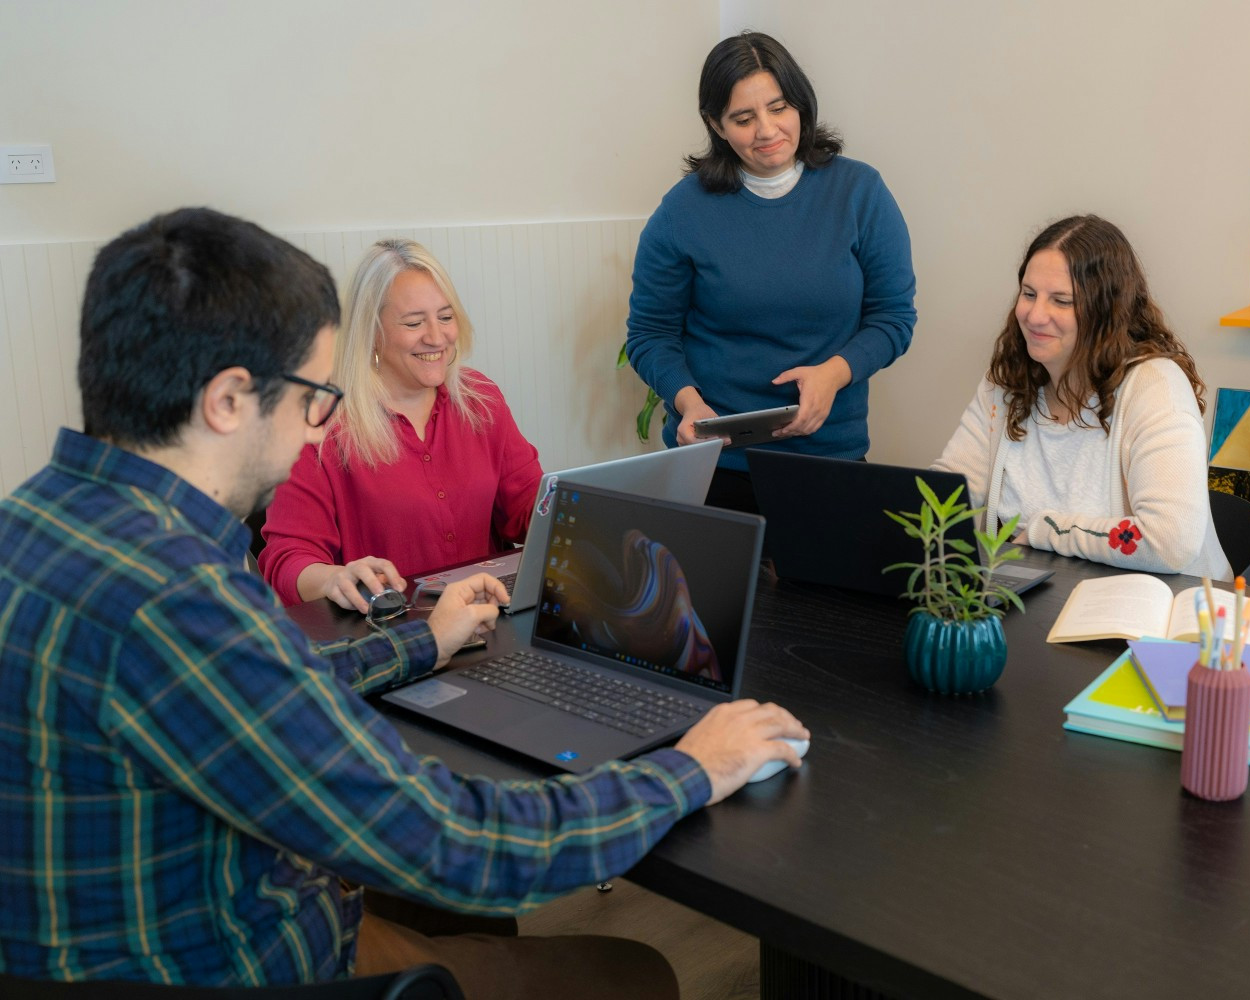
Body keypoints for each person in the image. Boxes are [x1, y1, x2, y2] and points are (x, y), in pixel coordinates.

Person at [0, 208, 808, 997]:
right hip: (247, 957)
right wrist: (690, 767)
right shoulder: (178, 598)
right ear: (227, 401)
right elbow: (461, 846)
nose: (320, 427)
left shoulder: (35, 523)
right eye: (313, 396)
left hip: (113, 939)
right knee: (640, 974)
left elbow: (271, 682)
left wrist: (423, 643)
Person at [625, 30, 917, 513]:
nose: (766, 130)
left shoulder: (860, 192)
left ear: (801, 105)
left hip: (828, 459)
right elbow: (650, 335)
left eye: (779, 108)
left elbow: (892, 319)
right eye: (743, 118)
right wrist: (686, 402)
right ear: (716, 125)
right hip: (713, 463)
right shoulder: (683, 211)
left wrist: (833, 375)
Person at [933, 215, 1231, 578]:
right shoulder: (1008, 380)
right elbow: (949, 493)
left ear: (1105, 312)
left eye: (1061, 300)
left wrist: (1048, 531)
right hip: (1042, 602)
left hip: (1157, 613)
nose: (1035, 315)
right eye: (1029, 294)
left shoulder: (1156, 387)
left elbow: (1170, 540)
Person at [259, 238, 543, 609]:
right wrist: (333, 578)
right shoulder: (321, 424)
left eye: (445, 317)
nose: (437, 337)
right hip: (390, 636)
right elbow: (287, 561)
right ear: (372, 331)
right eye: (414, 322)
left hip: (486, 617)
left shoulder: (480, 398)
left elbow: (529, 510)